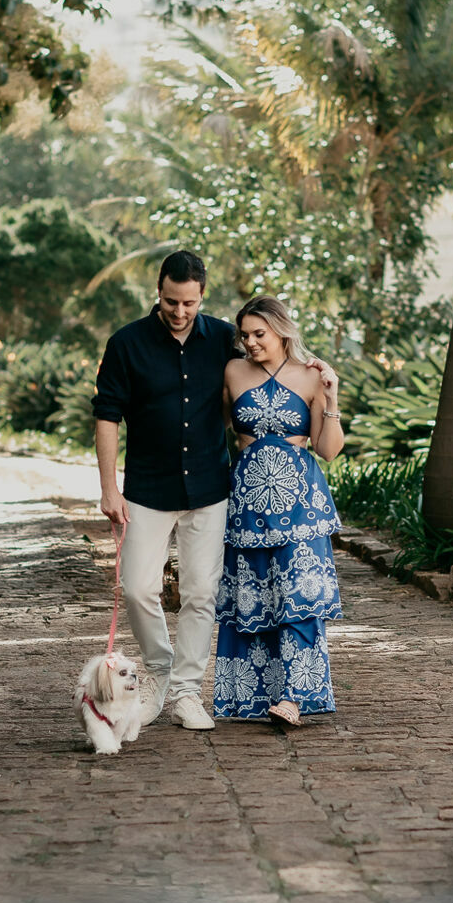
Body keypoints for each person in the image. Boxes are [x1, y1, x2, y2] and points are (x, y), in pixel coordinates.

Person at [92, 251, 240, 731]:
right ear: (159, 290)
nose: (179, 312)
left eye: (189, 303)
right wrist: (108, 487)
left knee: (201, 592)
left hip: (210, 486)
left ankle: (186, 691)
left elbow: (267, 368)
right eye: (172, 301)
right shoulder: (126, 343)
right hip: (148, 488)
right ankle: (158, 670)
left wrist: (315, 371)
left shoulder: (223, 338)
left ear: (203, 294)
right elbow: (107, 415)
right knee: (137, 588)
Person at [212, 295, 345, 726]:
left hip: (301, 503)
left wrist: (332, 396)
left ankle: (294, 697)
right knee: (253, 595)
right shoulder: (233, 371)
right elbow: (218, 432)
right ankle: (249, 695)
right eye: (245, 335)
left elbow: (327, 450)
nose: (250, 342)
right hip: (247, 502)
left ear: (281, 330)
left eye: (259, 334)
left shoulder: (310, 376)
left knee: (299, 596)